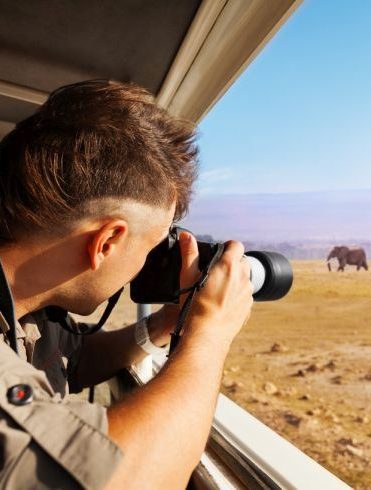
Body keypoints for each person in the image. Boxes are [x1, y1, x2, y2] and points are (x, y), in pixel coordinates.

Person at [0, 80, 253, 488]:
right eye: (149, 247)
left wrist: (166, 323)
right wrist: (210, 333)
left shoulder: (26, 310)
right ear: (108, 241)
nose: (143, 265)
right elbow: (122, 479)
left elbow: (73, 358)